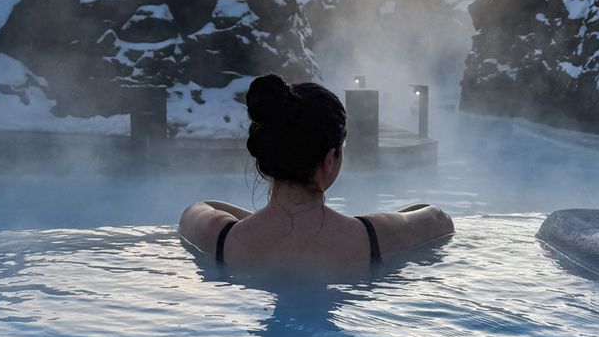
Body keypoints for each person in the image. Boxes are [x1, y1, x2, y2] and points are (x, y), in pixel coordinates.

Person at [179, 73, 454, 271]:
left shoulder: (223, 239)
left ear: (268, 153)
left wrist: (269, 224)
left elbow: (198, 208)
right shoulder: (372, 238)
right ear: (330, 159)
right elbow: (438, 218)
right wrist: (384, 223)